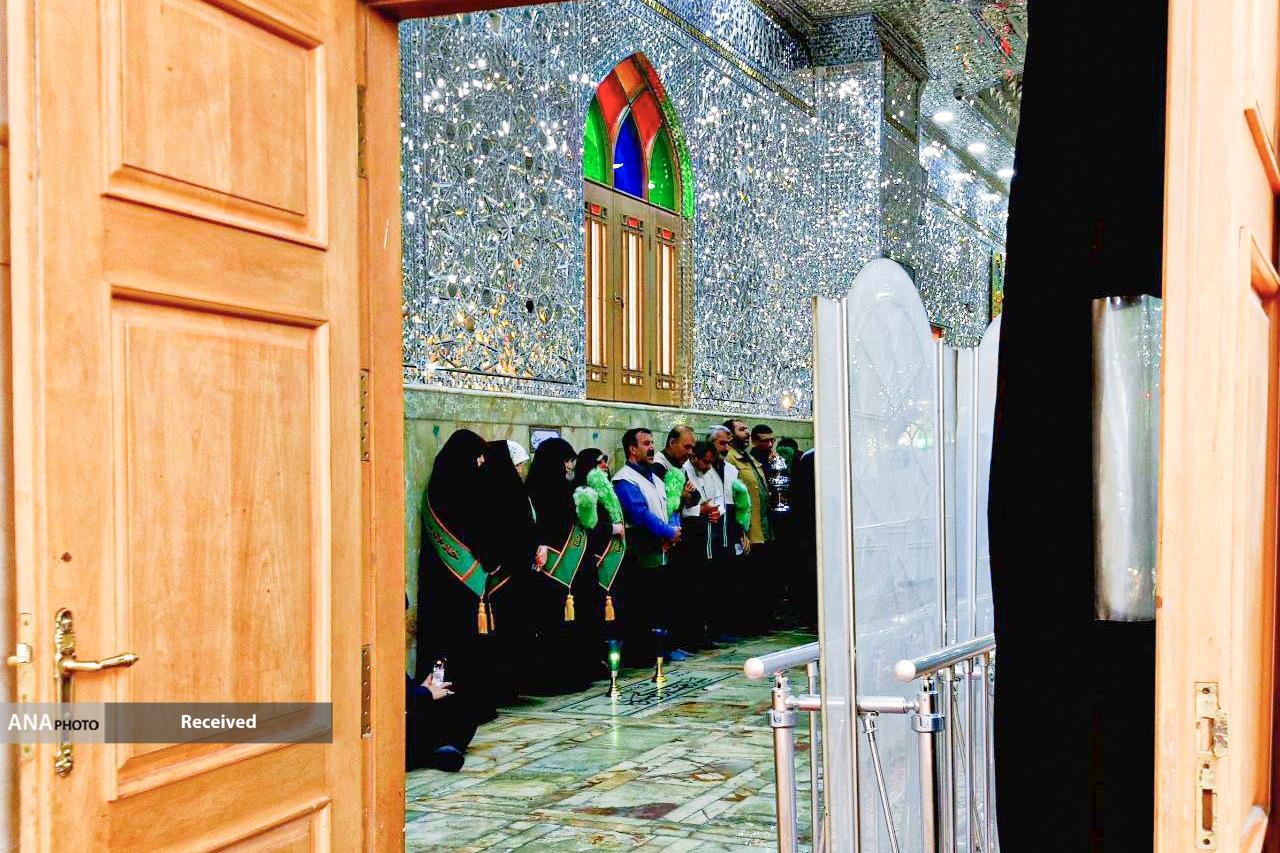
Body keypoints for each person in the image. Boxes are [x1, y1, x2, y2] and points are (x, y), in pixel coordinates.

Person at [416, 429, 508, 727]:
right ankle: (467, 701)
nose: (481, 462)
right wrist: (492, 561)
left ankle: (443, 697)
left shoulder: (439, 485)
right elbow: (478, 530)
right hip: (460, 584)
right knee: (461, 643)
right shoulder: (463, 488)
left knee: (445, 642)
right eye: (478, 456)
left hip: (443, 583)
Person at [524, 437, 602, 694]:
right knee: (554, 624)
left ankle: (577, 671)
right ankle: (556, 676)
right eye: (566, 461)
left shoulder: (568, 489)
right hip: (553, 569)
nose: (570, 466)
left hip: (576, 567)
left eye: (572, 461)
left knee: (576, 622)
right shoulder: (536, 489)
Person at [612, 428, 681, 665]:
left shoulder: (655, 478)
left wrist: (674, 529)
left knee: (659, 603)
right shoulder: (625, 480)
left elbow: (669, 507)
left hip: (661, 549)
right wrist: (667, 532)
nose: (652, 448)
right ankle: (641, 654)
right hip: (640, 550)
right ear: (632, 449)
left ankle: (660, 649)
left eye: (652, 443)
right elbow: (639, 514)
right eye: (645, 444)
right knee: (642, 603)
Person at [479, 438, 540, 705]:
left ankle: (516, 684)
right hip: (505, 575)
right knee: (505, 634)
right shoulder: (494, 493)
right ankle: (502, 687)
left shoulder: (517, 491)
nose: (521, 471)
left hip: (521, 572)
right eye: (517, 466)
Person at [574, 448, 626, 666]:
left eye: (605, 461)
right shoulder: (582, 490)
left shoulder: (606, 488)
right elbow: (588, 526)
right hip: (594, 557)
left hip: (613, 555)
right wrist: (612, 529)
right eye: (599, 462)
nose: (605, 465)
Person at [724, 418, 772, 633]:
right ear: (731, 435)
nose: (747, 433)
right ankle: (748, 623)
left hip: (762, 526)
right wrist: (739, 530)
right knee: (749, 579)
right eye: (742, 429)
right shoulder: (730, 459)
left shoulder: (749, 457)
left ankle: (761, 620)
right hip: (747, 529)